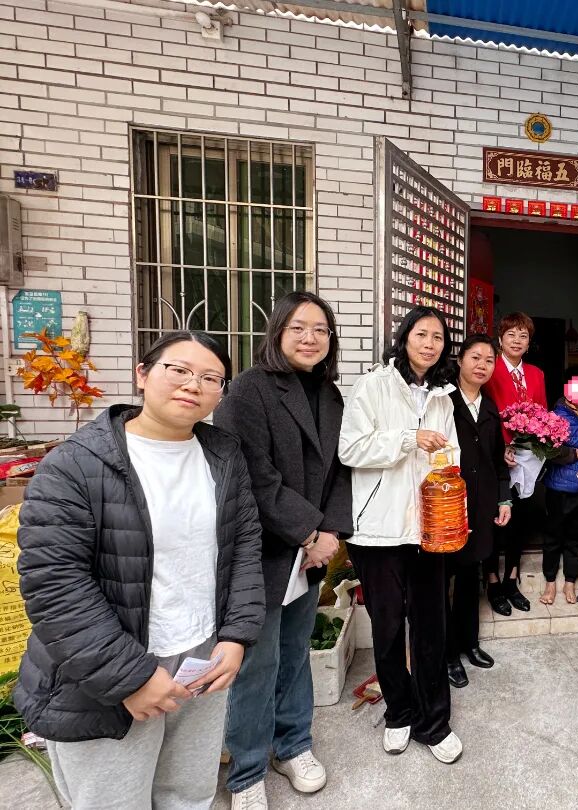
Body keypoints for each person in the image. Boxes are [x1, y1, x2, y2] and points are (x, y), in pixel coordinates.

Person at [15, 332, 265, 810]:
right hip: (107, 673)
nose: (193, 384)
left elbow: (244, 547)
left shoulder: (223, 455)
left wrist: (237, 635)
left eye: (210, 377)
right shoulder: (77, 463)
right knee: (113, 801)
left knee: (188, 795)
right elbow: (55, 584)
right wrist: (130, 677)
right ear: (142, 374)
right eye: (179, 370)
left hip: (202, 659)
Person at [216, 292, 353, 806]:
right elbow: (252, 475)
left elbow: (340, 472)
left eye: (320, 329)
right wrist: (309, 532)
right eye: (298, 327)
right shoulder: (249, 390)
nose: (310, 338)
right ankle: (247, 771)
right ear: (276, 332)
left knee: (296, 652)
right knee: (257, 662)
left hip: (310, 551)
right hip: (263, 552)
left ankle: (293, 744)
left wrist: (330, 533)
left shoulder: (331, 394)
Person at [338, 305, 463, 764]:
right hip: (380, 530)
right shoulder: (373, 384)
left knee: (432, 629)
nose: (430, 344)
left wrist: (453, 505)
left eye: (438, 337)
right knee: (388, 629)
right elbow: (350, 449)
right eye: (421, 334)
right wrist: (409, 438)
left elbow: (450, 456)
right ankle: (399, 714)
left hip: (430, 529)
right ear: (404, 337)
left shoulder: (443, 396)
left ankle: (435, 723)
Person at [446, 334, 512, 689]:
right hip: (447, 507)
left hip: (481, 505)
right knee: (443, 581)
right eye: (475, 357)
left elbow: (497, 462)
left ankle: (469, 643)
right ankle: (447, 653)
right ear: (460, 360)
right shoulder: (443, 401)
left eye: (489, 360)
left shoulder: (489, 408)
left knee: (470, 579)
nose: (482, 365)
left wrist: (503, 500)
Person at [482, 312, 547, 615]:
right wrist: (501, 448)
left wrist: (540, 446)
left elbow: (542, 413)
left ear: (529, 342)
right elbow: (483, 413)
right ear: (500, 338)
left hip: (527, 459)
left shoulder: (536, 373)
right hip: (496, 458)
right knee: (495, 520)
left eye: (523, 336)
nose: (517, 341)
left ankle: (511, 579)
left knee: (520, 520)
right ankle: (492, 580)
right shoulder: (489, 368)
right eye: (511, 334)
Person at [539, 370, 578, 606]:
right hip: (558, 487)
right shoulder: (556, 415)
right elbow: (549, 451)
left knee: (576, 536)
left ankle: (570, 581)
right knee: (553, 535)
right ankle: (550, 582)